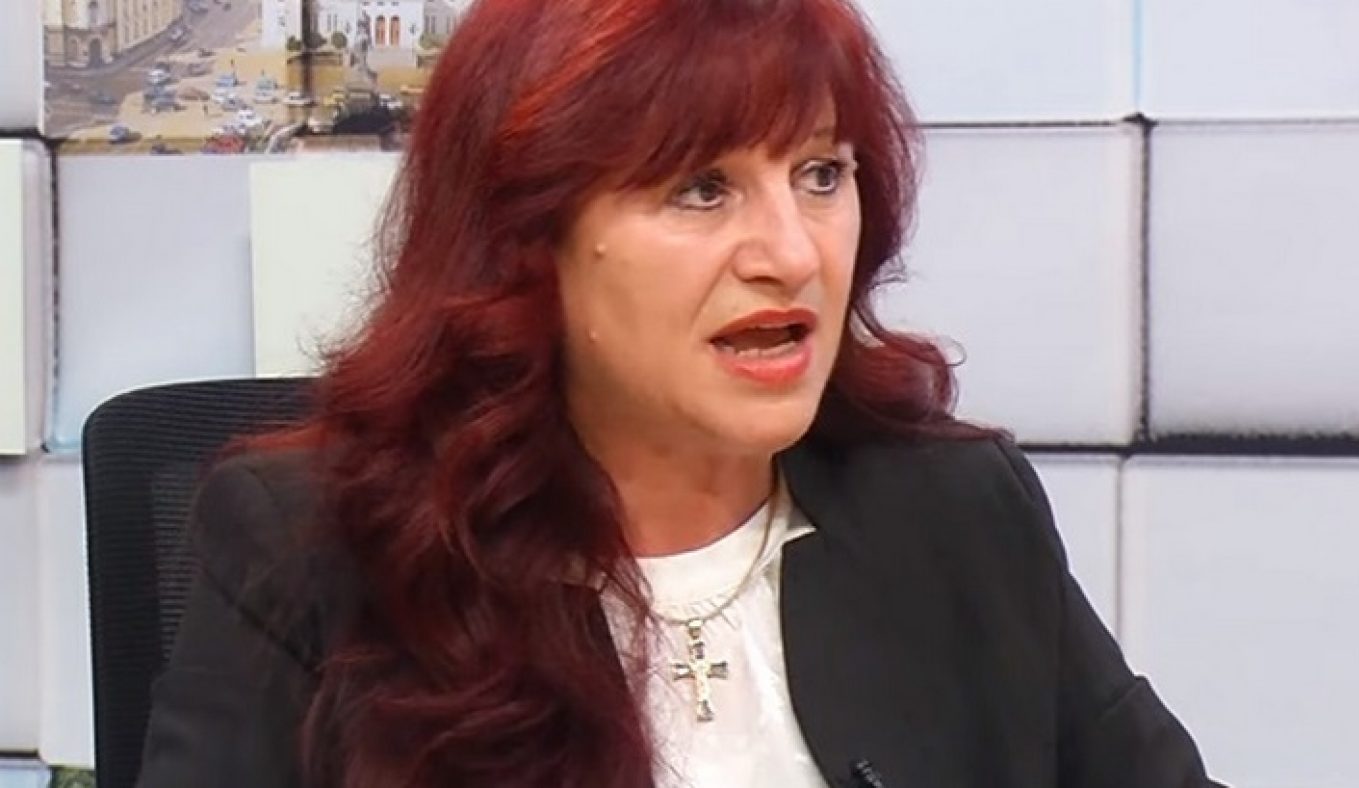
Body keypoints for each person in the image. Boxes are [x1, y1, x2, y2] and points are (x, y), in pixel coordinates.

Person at [136, 0, 1221, 786]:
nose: (791, 253)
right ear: (527, 245)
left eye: (821, 174)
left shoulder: (956, 509)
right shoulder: (320, 550)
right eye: (702, 189)